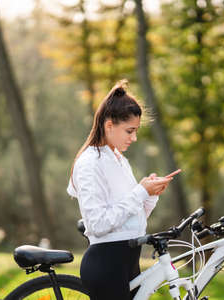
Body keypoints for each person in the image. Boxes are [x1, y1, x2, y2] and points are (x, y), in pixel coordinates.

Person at [67, 80, 173, 300]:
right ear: (109, 126)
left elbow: (131, 220)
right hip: (106, 265)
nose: (134, 138)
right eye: (129, 131)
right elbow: (98, 224)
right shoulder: (89, 164)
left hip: (128, 261)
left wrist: (149, 195)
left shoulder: (119, 160)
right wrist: (140, 192)